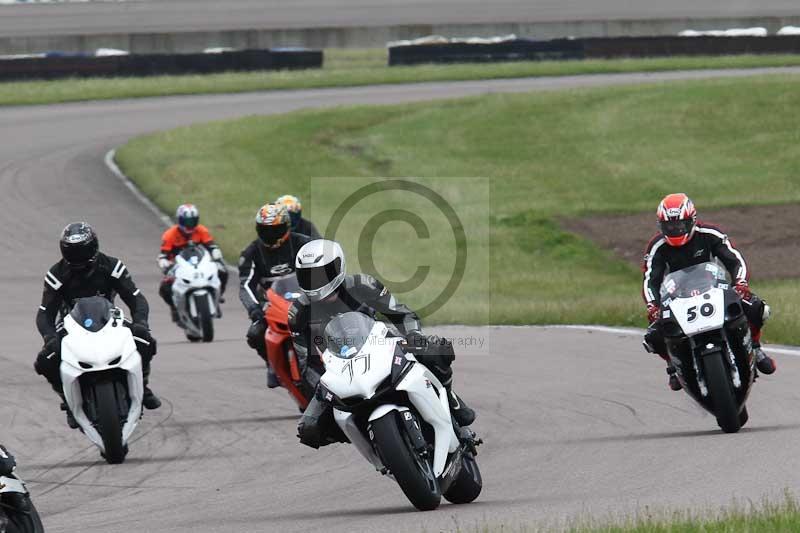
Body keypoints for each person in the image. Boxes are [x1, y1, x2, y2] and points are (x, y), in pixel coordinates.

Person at [290, 239, 476, 449]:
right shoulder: (299, 313)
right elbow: (305, 364)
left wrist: (414, 336)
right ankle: (375, 443)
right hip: (340, 372)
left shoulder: (363, 285)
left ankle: (452, 407)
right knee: (308, 429)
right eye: (308, 276)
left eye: (321, 274)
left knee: (434, 350)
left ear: (337, 268)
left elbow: (402, 314)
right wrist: (325, 387)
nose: (315, 282)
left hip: (384, 348)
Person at [642, 193, 775, 391]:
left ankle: (755, 346)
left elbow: (735, 260)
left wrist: (740, 283)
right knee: (653, 336)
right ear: (661, 226)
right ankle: (673, 365)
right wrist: (653, 306)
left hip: (714, 288)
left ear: (692, 220)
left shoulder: (710, 234)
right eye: (669, 226)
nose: (675, 229)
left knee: (757, 308)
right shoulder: (657, 247)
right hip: (676, 298)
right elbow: (650, 279)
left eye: (679, 225)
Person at [35, 222, 161, 428]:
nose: (78, 258)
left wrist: (141, 323)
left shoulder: (112, 266)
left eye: (83, 251)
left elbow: (136, 298)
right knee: (45, 361)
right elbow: (44, 314)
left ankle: (143, 386)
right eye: (72, 252)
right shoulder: (56, 274)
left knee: (145, 341)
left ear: (94, 247)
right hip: (70, 325)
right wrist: (49, 338)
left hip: (110, 319)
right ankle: (67, 400)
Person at [240, 203, 312, 388]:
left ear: (286, 227)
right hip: (271, 305)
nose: (271, 235)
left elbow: (322, 270)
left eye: (276, 230)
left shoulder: (303, 243)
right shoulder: (252, 252)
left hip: (308, 299)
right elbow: (245, 285)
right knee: (255, 334)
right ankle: (272, 364)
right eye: (265, 230)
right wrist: (254, 310)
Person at [158, 204, 228, 322]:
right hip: (178, 267)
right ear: (179, 220)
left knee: (222, 271)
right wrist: (164, 263)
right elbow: (163, 254)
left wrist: (217, 254)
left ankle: (218, 295)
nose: (189, 225)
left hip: (200, 263)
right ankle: (174, 308)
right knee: (164, 287)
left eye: (192, 221)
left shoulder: (201, 230)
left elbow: (211, 246)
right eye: (186, 221)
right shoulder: (170, 235)